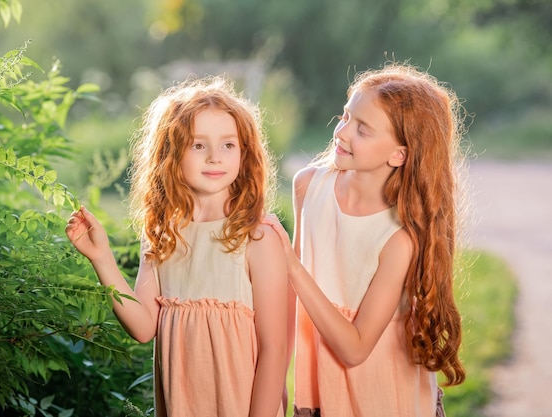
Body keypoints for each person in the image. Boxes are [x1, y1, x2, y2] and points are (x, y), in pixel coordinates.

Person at [65, 76, 288, 417]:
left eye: (228, 145)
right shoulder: (163, 234)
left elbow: (275, 348)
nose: (215, 157)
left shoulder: (257, 238)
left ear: (245, 153)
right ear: (171, 154)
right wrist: (101, 257)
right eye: (199, 145)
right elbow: (142, 328)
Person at [265, 62, 467, 417]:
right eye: (345, 116)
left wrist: (291, 266)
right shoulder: (309, 186)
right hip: (319, 394)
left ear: (398, 154)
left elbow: (355, 349)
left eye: (363, 129)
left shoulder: (399, 237)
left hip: (387, 400)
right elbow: (289, 301)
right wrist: (274, 378)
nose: (342, 133)